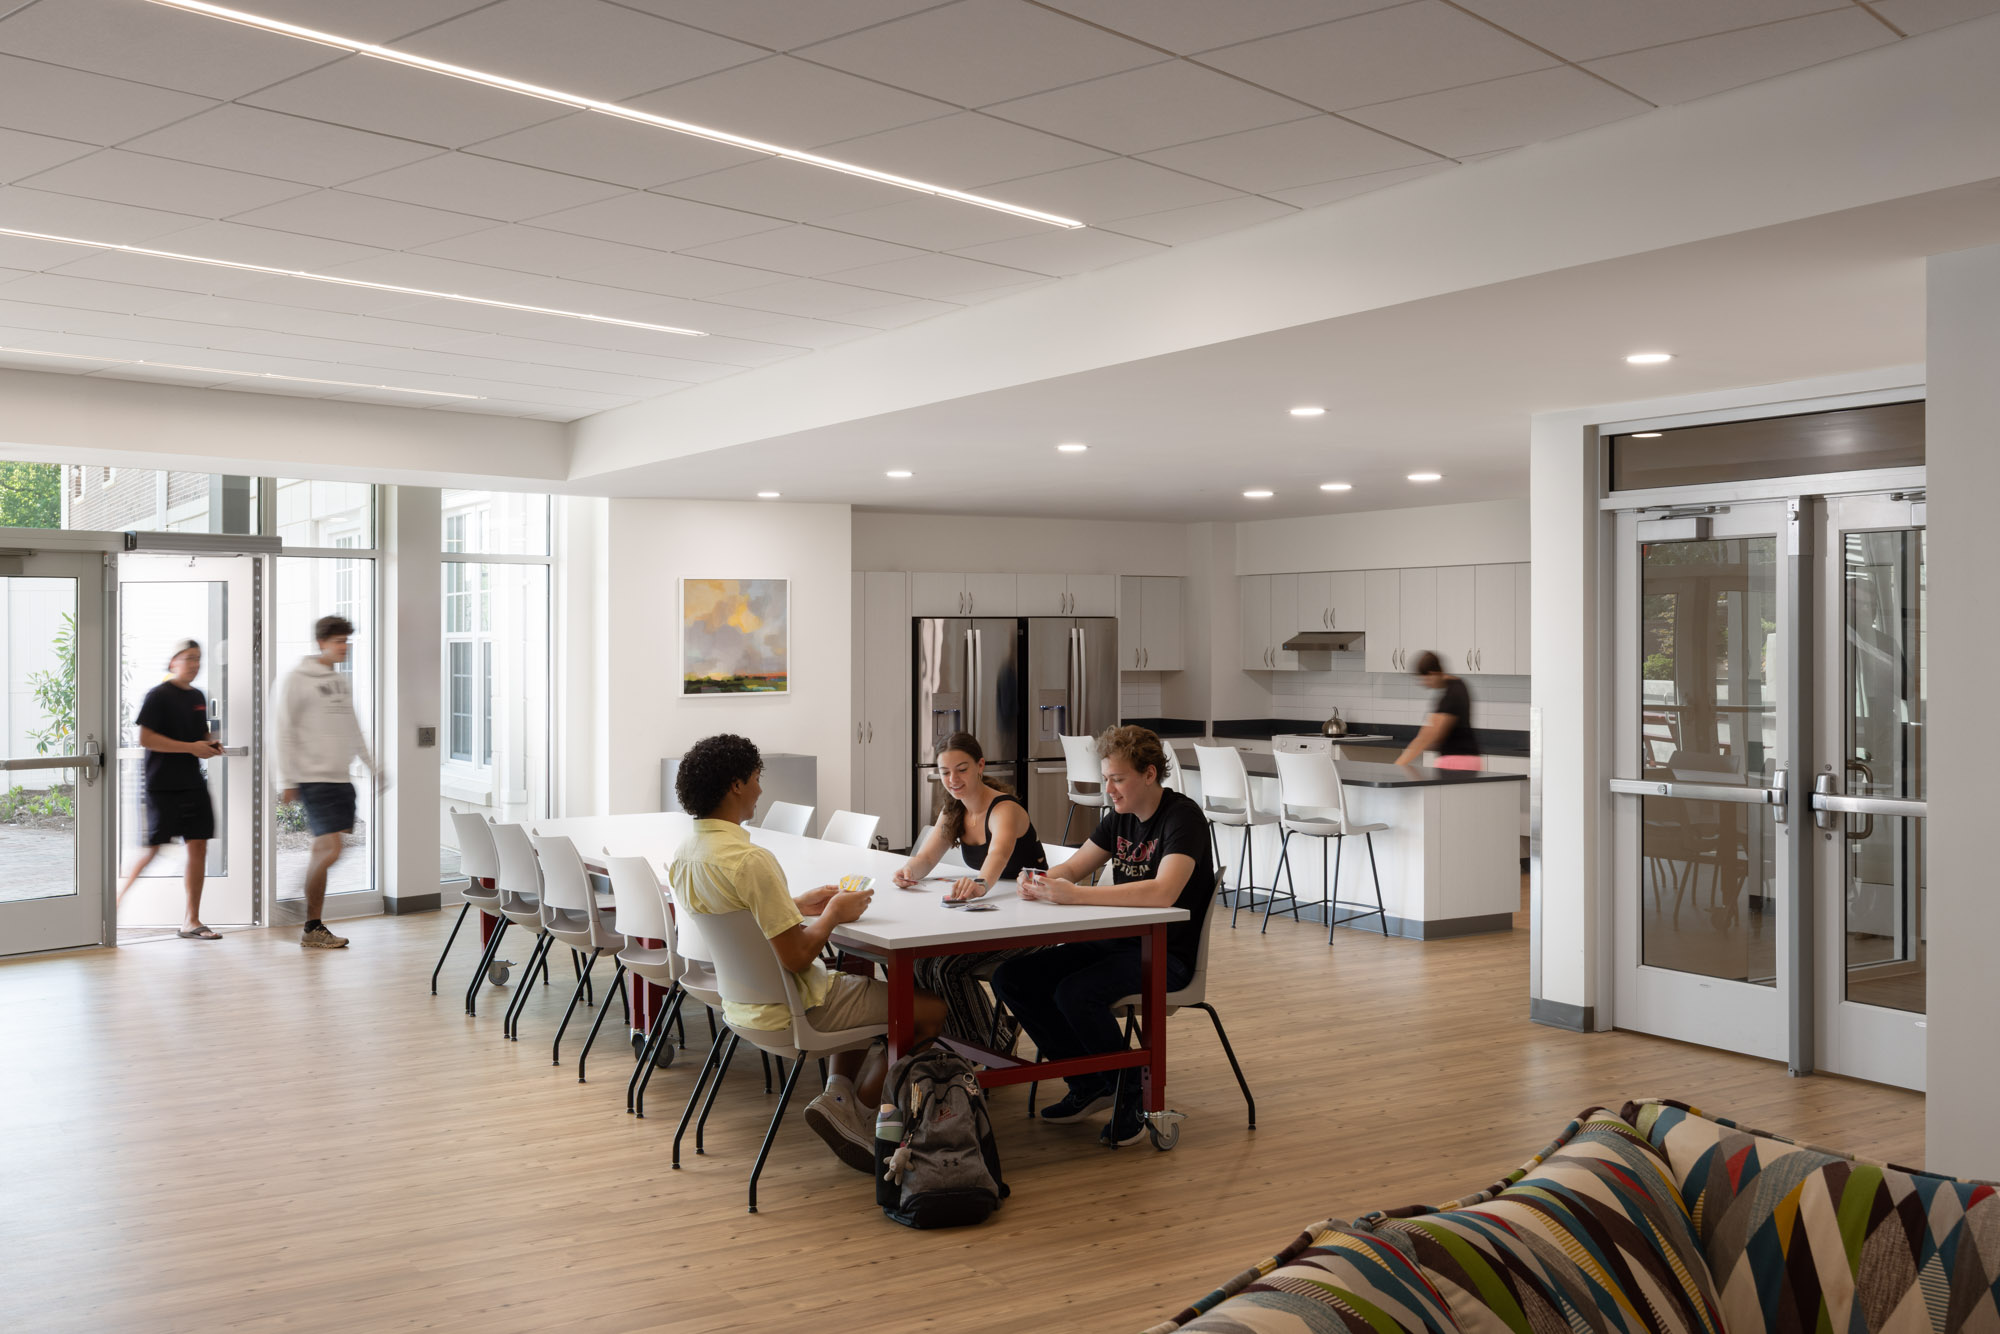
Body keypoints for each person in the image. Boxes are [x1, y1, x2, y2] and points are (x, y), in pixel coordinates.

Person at [667, 733, 946, 1172]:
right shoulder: (750, 859)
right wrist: (833, 913)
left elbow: (737, 918)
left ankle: (837, 1094)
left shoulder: (685, 853)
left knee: (859, 984)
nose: (760, 789)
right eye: (756, 779)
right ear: (736, 786)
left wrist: (795, 905)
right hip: (794, 1007)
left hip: (740, 1004)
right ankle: (858, 1112)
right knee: (928, 1011)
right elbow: (796, 958)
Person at [991, 725, 1215, 1148]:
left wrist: (1077, 896)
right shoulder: (1119, 817)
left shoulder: (1182, 818)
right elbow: (1074, 868)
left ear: (1149, 774)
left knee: (1075, 992)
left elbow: (1164, 892)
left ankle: (1129, 1093)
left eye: (1117, 778)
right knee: (1011, 978)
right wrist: (1038, 879)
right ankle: (1091, 1082)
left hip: (1164, 955)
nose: (1108, 789)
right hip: (1115, 943)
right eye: (1106, 778)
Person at [892, 732, 1048, 1047]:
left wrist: (979, 884)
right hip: (997, 916)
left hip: (1036, 921)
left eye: (961, 769)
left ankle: (992, 1044)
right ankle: (958, 1039)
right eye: (945, 772)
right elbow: (926, 857)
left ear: (980, 765)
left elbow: (998, 856)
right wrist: (908, 871)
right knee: (921, 962)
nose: (953, 779)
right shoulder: (953, 809)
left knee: (946, 967)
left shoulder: (1005, 809)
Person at [274, 615, 380, 950]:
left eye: (346, 641)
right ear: (321, 642)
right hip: (313, 778)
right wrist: (288, 780)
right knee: (331, 848)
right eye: (338, 641)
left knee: (326, 850)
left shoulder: (341, 682)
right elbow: (284, 732)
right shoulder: (296, 679)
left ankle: (311, 926)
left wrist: (372, 766)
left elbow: (353, 727)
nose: (344, 647)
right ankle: (294, 902)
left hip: (340, 779)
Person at [117, 640, 226, 940]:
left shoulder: (198, 696)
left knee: (199, 846)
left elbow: (197, 735)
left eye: (198, 659)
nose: (195, 664)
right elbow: (147, 738)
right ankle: (111, 907)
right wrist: (191, 747)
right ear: (172, 662)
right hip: (162, 785)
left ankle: (191, 920)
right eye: (189, 658)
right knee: (151, 850)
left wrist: (209, 742)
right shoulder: (158, 695)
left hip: (193, 783)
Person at [1395, 650, 1483, 770]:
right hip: (1468, 759)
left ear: (1433, 673)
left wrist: (1399, 764)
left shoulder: (1451, 695)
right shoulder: (1459, 685)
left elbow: (1430, 735)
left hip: (1457, 761)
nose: (1424, 684)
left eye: (1425, 679)